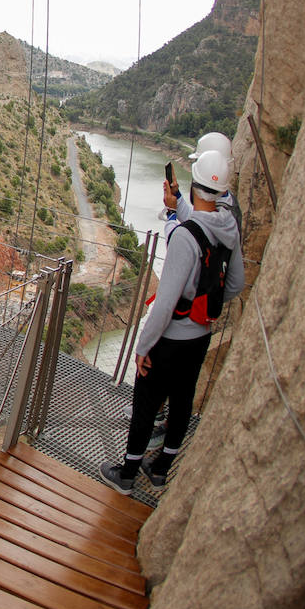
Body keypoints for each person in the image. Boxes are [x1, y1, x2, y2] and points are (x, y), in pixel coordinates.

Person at [100, 148, 244, 494]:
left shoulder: (183, 237)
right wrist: (203, 306)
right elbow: (236, 282)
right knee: (183, 399)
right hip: (201, 335)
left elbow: (164, 304)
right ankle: (161, 466)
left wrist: (143, 346)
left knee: (146, 404)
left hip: (170, 339)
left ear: (195, 185)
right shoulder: (229, 227)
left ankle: (128, 473)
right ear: (223, 190)